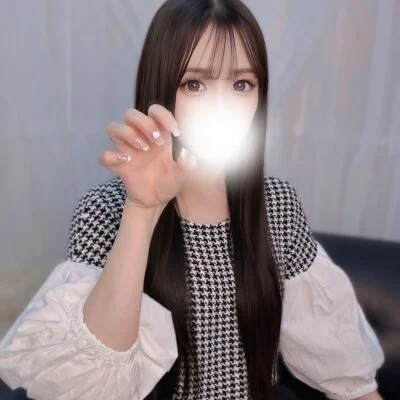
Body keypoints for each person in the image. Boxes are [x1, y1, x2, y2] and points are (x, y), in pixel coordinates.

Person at [0, 0, 385, 399]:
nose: (222, 107)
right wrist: (142, 209)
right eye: (195, 84)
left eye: (242, 85)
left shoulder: (277, 205)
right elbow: (94, 384)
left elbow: (346, 374)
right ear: (160, 87)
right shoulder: (105, 211)